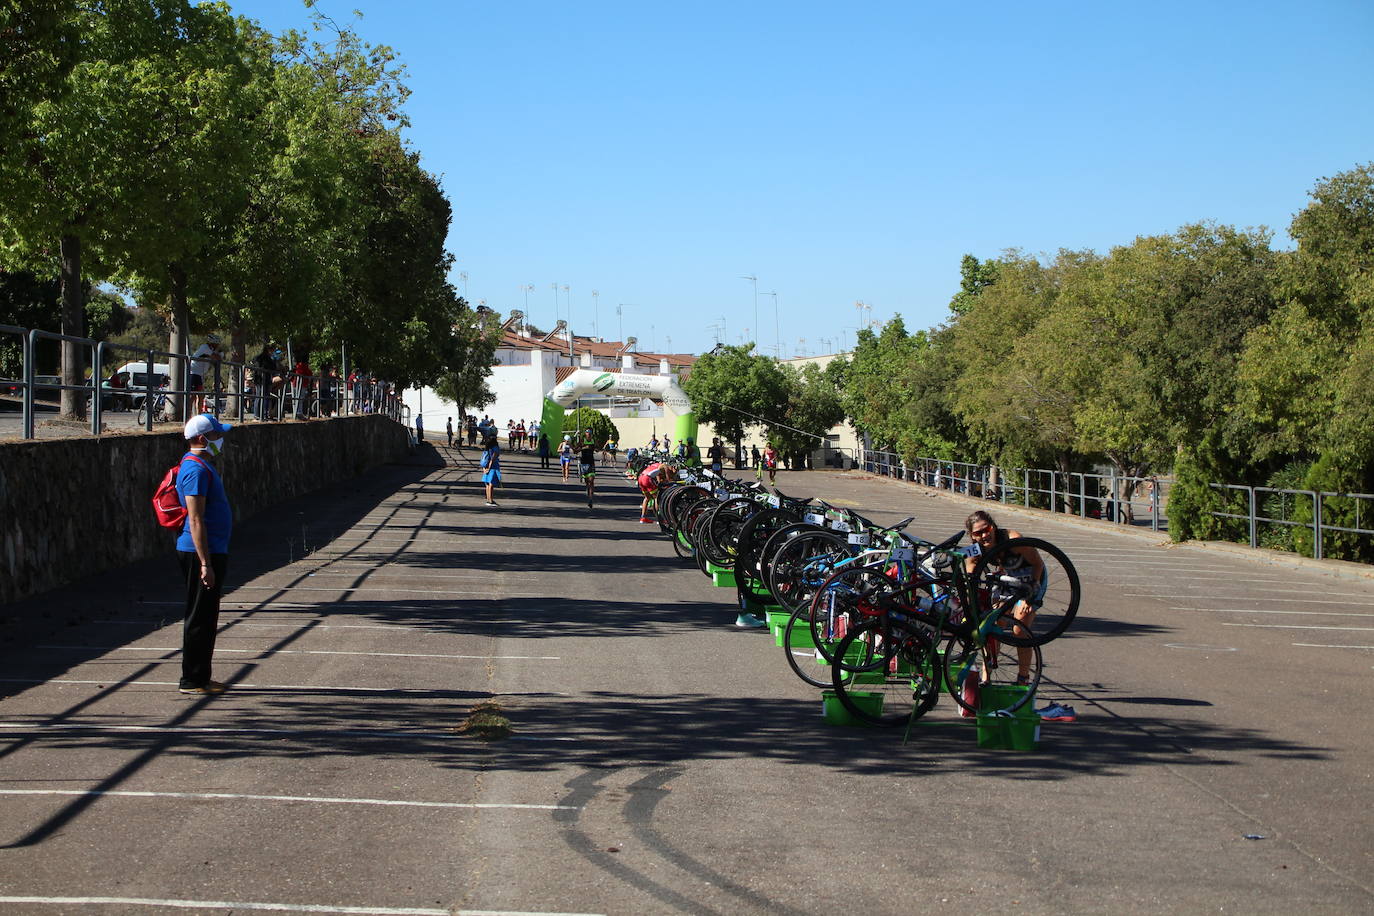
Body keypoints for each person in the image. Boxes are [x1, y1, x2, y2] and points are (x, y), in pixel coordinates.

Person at [176, 413, 233, 694]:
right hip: (201, 553)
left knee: (207, 616)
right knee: (199, 616)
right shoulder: (195, 470)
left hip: (212, 551)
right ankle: (192, 679)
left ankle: (201, 676)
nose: (220, 440)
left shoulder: (202, 466)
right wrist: (205, 563)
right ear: (201, 439)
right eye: (216, 435)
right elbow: (195, 519)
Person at [964, 510, 1045, 685]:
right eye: (978, 533)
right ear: (971, 535)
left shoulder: (1013, 539)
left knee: (1020, 629)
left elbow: (1037, 564)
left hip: (1032, 577)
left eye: (987, 529)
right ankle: (987, 675)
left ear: (993, 527)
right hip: (1007, 578)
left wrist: (1029, 597)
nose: (984, 535)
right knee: (993, 625)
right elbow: (969, 575)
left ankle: (1023, 677)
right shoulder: (974, 550)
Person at [188, 334, 221, 415]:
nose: (218, 346)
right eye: (217, 344)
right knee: (192, 396)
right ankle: (187, 416)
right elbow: (217, 357)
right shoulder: (205, 347)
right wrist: (219, 355)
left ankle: (198, 415)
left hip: (200, 375)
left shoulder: (210, 350)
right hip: (194, 373)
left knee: (201, 396)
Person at [637, 459, 676, 523]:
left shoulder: (656, 465)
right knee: (656, 498)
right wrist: (674, 475)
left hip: (641, 477)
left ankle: (643, 517)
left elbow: (658, 480)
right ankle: (659, 519)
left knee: (647, 498)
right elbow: (669, 480)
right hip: (647, 479)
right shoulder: (665, 466)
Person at [480, 435, 502, 506]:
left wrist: (484, 468)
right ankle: (490, 500)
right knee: (491, 484)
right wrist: (489, 468)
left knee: (487, 484)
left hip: (485, 466)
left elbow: (484, 458)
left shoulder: (487, 448)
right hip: (493, 467)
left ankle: (488, 499)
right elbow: (492, 459)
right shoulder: (495, 448)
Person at [578, 434, 597, 508]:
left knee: (591, 481)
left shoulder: (593, 441)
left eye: (590, 432)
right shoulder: (582, 441)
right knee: (587, 483)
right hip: (584, 464)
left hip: (591, 463)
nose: (588, 433)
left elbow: (597, 448)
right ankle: (588, 491)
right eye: (587, 432)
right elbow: (575, 450)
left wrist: (596, 448)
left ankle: (590, 499)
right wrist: (584, 447)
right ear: (585, 434)